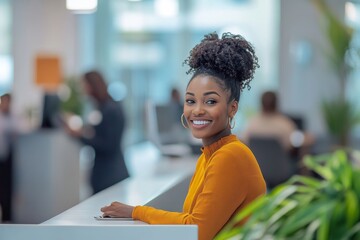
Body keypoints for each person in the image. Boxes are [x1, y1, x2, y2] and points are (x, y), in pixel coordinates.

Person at [100, 32, 266, 240]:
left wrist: (137, 211)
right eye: (190, 101)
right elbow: (192, 219)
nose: (197, 110)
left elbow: (196, 230)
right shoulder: (209, 155)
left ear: (233, 108)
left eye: (210, 101)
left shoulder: (230, 155)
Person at [66, 71, 129, 194]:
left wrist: (80, 135)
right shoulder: (105, 107)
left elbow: (108, 145)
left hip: (110, 177)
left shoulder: (110, 110)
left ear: (91, 85)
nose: (82, 89)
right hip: (108, 174)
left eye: (83, 85)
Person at [241, 91, 315, 167]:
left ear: (261, 104)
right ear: (276, 104)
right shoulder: (284, 123)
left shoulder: (252, 123)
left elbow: (243, 141)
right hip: (281, 169)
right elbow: (296, 141)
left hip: (258, 169)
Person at [0, 93, 23, 222]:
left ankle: (7, 219)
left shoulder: (13, 117)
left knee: (7, 191)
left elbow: (20, 128)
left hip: (7, 160)